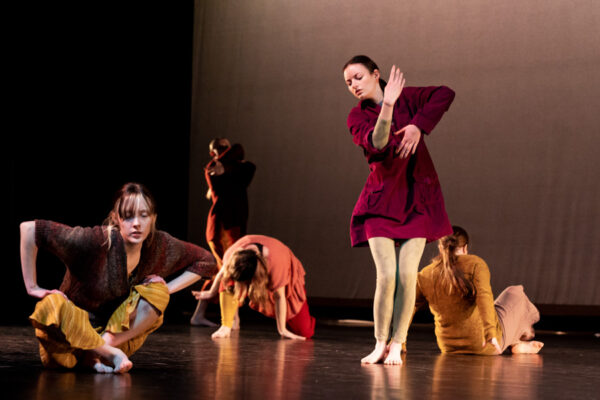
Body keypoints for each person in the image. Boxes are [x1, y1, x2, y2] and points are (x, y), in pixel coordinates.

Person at [20, 182, 217, 373]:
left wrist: (168, 287)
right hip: (67, 341)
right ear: (116, 218)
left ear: (153, 218)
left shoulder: (159, 245)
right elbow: (29, 229)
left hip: (113, 336)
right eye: (129, 217)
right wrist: (32, 286)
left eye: (144, 215)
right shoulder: (94, 241)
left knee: (158, 293)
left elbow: (207, 261)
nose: (137, 224)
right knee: (50, 305)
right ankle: (107, 354)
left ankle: (99, 352)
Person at [342, 55, 455, 364]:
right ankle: (380, 343)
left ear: (376, 74)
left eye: (358, 77)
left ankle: (397, 344)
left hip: (416, 200)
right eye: (348, 82)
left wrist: (419, 125)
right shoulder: (357, 116)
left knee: (407, 276)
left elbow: (445, 92)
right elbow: (378, 143)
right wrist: (388, 107)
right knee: (387, 275)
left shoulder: (410, 97)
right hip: (380, 202)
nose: (353, 85)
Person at [413, 226, 543, 355]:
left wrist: (398, 342)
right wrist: (491, 334)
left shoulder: (426, 273)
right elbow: (484, 297)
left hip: (448, 347)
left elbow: (410, 306)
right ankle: (517, 341)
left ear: (440, 248)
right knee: (515, 292)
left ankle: (515, 343)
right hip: (484, 344)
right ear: (465, 248)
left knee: (496, 309)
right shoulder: (475, 264)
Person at [193, 235, 315, 340]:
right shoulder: (233, 253)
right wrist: (211, 292)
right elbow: (223, 275)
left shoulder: (277, 263)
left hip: (283, 275)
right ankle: (228, 325)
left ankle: (294, 324)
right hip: (254, 267)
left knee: (304, 332)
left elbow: (279, 297)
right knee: (228, 283)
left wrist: (282, 330)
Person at [190, 138, 256, 327]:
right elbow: (221, 164)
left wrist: (227, 166)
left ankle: (199, 315)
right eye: (221, 148)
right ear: (213, 153)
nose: (227, 150)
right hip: (221, 228)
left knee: (221, 271)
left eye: (227, 147)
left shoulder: (239, 169)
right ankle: (233, 317)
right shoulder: (212, 168)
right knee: (231, 268)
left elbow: (248, 164)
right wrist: (225, 165)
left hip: (234, 225)